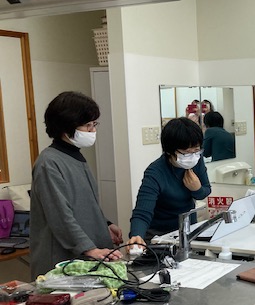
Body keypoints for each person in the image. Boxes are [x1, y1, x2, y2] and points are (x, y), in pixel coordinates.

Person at [30, 91, 123, 279]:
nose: (93, 130)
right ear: (66, 126)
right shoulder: (49, 163)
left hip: (87, 253)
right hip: (62, 261)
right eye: (88, 125)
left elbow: (83, 203)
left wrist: (104, 224)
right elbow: (60, 215)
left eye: (94, 124)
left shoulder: (75, 156)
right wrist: (89, 249)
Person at [128, 117, 211, 245]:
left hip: (188, 230)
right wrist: (137, 235)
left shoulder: (197, 160)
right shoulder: (155, 172)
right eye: (186, 153)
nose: (192, 156)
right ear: (169, 151)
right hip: (160, 235)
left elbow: (205, 191)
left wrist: (197, 189)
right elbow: (142, 212)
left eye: (196, 150)